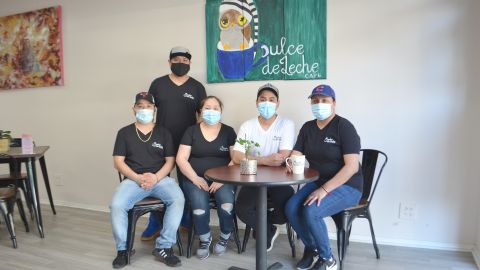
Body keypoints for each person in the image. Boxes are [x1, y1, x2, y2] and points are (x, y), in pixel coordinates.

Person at [285, 84, 363, 270]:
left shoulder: (344, 127)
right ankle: (311, 249)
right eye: (315, 101)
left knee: (311, 211)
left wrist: (325, 189)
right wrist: (290, 162)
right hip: (318, 181)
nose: (319, 104)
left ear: (333, 103)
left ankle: (328, 259)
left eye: (324, 101)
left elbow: (351, 167)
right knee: (291, 207)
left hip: (348, 186)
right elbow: (296, 153)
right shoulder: (308, 128)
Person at [110, 92, 184, 268]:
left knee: (178, 199)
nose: (144, 110)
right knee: (117, 205)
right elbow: (118, 162)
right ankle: (123, 249)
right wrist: (137, 177)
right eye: (140, 106)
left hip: (160, 179)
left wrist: (156, 177)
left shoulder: (164, 132)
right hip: (133, 180)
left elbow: (170, 161)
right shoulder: (124, 133)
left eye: (148, 106)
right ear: (133, 109)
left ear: (154, 109)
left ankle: (164, 246)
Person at [142, 46, 207, 240]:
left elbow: (202, 116)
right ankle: (155, 222)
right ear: (169, 62)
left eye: (185, 60)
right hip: (160, 142)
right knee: (158, 180)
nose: (181, 63)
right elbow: (148, 112)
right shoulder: (158, 84)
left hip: (187, 144)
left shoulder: (197, 87)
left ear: (190, 63)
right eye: (176, 59)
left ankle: (186, 218)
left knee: (186, 181)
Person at [232, 83, 295, 251]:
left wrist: (254, 158)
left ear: (278, 103)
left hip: (278, 179)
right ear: (256, 103)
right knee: (242, 209)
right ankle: (268, 229)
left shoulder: (286, 125)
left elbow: (283, 156)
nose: (267, 103)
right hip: (252, 178)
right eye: (263, 99)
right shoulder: (248, 125)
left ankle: (263, 225)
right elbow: (237, 157)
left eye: (271, 99)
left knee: (287, 209)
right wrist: (265, 160)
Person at [176, 96, 237, 259]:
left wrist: (222, 179)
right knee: (198, 207)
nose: (211, 111)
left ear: (221, 111)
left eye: (215, 108)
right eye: (207, 108)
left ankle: (224, 236)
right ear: (200, 111)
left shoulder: (229, 131)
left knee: (226, 204)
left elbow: (235, 159)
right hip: (195, 178)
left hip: (223, 179)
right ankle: (205, 238)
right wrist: (195, 178)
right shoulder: (191, 131)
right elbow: (181, 159)